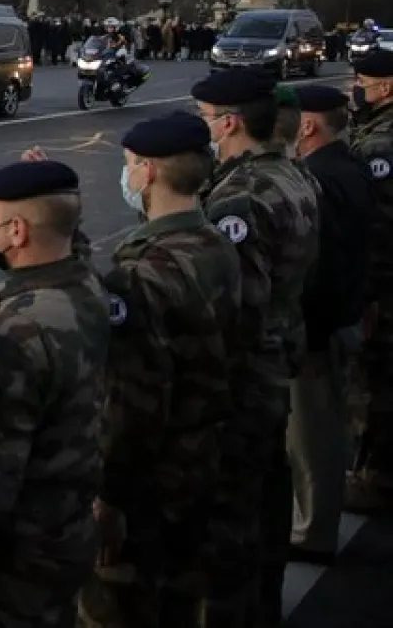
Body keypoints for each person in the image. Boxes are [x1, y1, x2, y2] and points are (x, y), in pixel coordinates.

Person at [78, 112, 239, 628]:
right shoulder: (217, 244)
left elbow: (130, 398)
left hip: (151, 482)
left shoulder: (142, 271)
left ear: (146, 173)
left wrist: (111, 496)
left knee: (121, 606)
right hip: (203, 458)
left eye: (129, 166)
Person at [0, 159, 110, 628]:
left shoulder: (15, 331)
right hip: (69, 529)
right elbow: (71, 245)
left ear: (16, 232)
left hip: (17, 560)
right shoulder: (86, 285)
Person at [191, 67, 320, 627]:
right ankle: (265, 600)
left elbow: (233, 302)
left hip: (245, 372)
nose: (205, 131)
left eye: (206, 120)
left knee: (231, 511)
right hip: (281, 350)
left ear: (230, 122)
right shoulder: (292, 174)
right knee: (268, 489)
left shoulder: (240, 199)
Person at [288, 84, 374, 561]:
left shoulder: (319, 177)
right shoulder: (351, 166)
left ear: (307, 125)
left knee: (311, 437)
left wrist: (309, 330)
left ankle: (313, 532)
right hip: (344, 317)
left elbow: (319, 264)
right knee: (327, 426)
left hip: (319, 329)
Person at [347, 48, 393, 514]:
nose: (356, 85)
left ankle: (375, 475)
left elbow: (377, 224)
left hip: (384, 281)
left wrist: (370, 292)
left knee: (376, 382)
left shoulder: (382, 143)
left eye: (363, 79)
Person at [100, 17, 146, 87]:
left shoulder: (120, 37)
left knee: (118, 68)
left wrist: (117, 48)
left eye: (112, 27)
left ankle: (120, 84)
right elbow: (98, 44)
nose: (110, 29)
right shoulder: (103, 37)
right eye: (108, 27)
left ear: (116, 28)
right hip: (105, 57)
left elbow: (121, 45)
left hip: (116, 57)